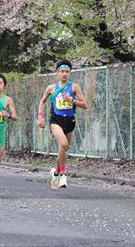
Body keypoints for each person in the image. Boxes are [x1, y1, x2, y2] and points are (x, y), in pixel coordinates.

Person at [38, 59, 88, 189]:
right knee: (64, 144)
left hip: (70, 121)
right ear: (58, 73)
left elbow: (85, 105)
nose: (65, 74)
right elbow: (42, 102)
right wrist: (41, 117)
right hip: (56, 120)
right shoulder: (51, 88)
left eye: (67, 71)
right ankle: (63, 174)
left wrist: (71, 100)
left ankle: (55, 172)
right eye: (62, 71)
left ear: (70, 73)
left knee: (63, 150)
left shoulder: (74, 87)